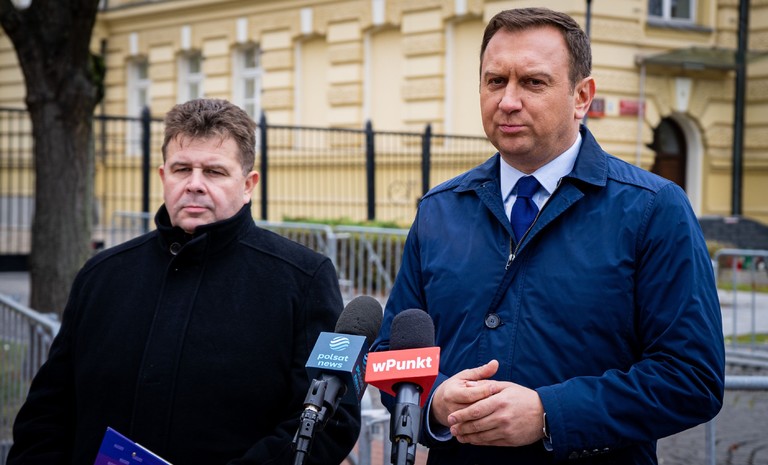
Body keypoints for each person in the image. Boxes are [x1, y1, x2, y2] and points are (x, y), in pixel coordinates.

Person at [371, 7, 724, 465]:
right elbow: (392, 356)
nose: (508, 101)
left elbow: (691, 378)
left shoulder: (653, 209)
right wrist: (435, 402)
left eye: (533, 82)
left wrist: (548, 414)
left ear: (582, 96)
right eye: (495, 81)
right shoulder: (439, 209)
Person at [8, 98, 360, 465]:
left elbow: (330, 421)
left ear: (248, 184)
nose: (195, 185)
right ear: (164, 177)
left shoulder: (303, 279)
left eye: (214, 171)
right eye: (182, 169)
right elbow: (46, 414)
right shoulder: (101, 275)